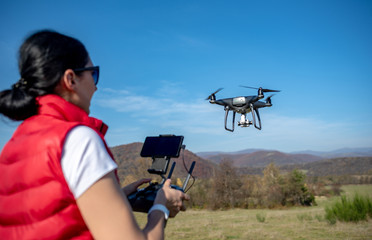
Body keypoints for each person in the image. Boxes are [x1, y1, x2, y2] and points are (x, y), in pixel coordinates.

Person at [0, 30, 189, 240]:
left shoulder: (15, 143)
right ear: (71, 79)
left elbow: (47, 213)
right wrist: (161, 206)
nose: (96, 87)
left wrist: (117, 195)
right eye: (93, 74)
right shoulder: (78, 139)